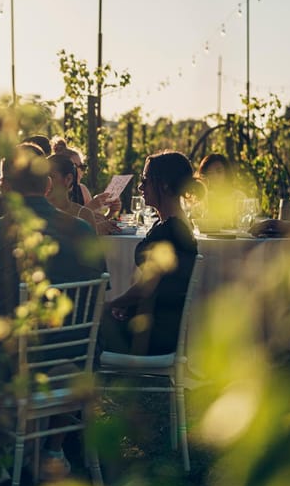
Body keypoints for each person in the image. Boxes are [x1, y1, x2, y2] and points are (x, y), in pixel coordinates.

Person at [0, 143, 106, 477]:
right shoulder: (84, 231)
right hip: (77, 365)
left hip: (17, 372)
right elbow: (99, 297)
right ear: (47, 186)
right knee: (65, 344)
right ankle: (53, 449)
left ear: (4, 187)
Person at [99, 151, 203, 356]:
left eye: (145, 181)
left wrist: (112, 304)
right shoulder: (169, 223)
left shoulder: (172, 230)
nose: (140, 187)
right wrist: (127, 307)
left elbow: (147, 289)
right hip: (152, 322)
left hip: (151, 334)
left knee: (85, 323)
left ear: (163, 184)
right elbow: (160, 286)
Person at [46, 153, 119, 235]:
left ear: (68, 179)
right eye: (42, 177)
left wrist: (110, 214)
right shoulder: (34, 211)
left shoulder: (84, 214)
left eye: (51, 177)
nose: (45, 182)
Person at [195, 153, 247, 230]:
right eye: (210, 173)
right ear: (204, 176)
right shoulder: (201, 198)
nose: (214, 176)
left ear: (226, 173)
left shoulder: (238, 196)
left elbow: (245, 223)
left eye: (219, 171)